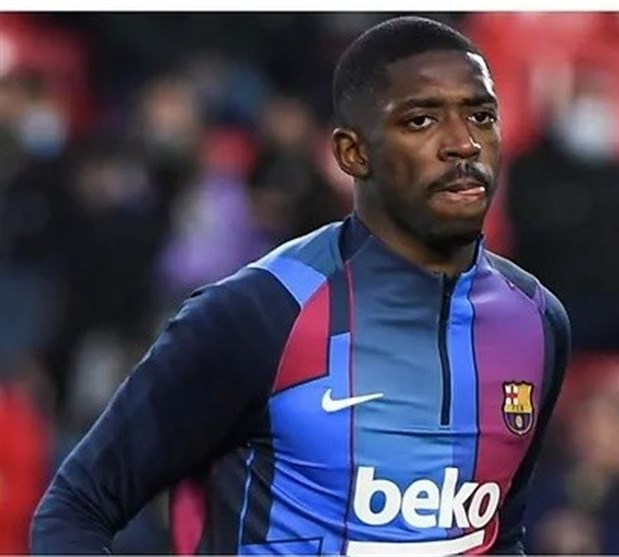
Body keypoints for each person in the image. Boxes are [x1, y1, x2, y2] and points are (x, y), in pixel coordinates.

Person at [31, 16, 570, 554]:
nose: (464, 144)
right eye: (421, 120)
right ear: (353, 154)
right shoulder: (260, 315)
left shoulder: (535, 323)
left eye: (481, 116)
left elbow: (498, 536)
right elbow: (75, 509)